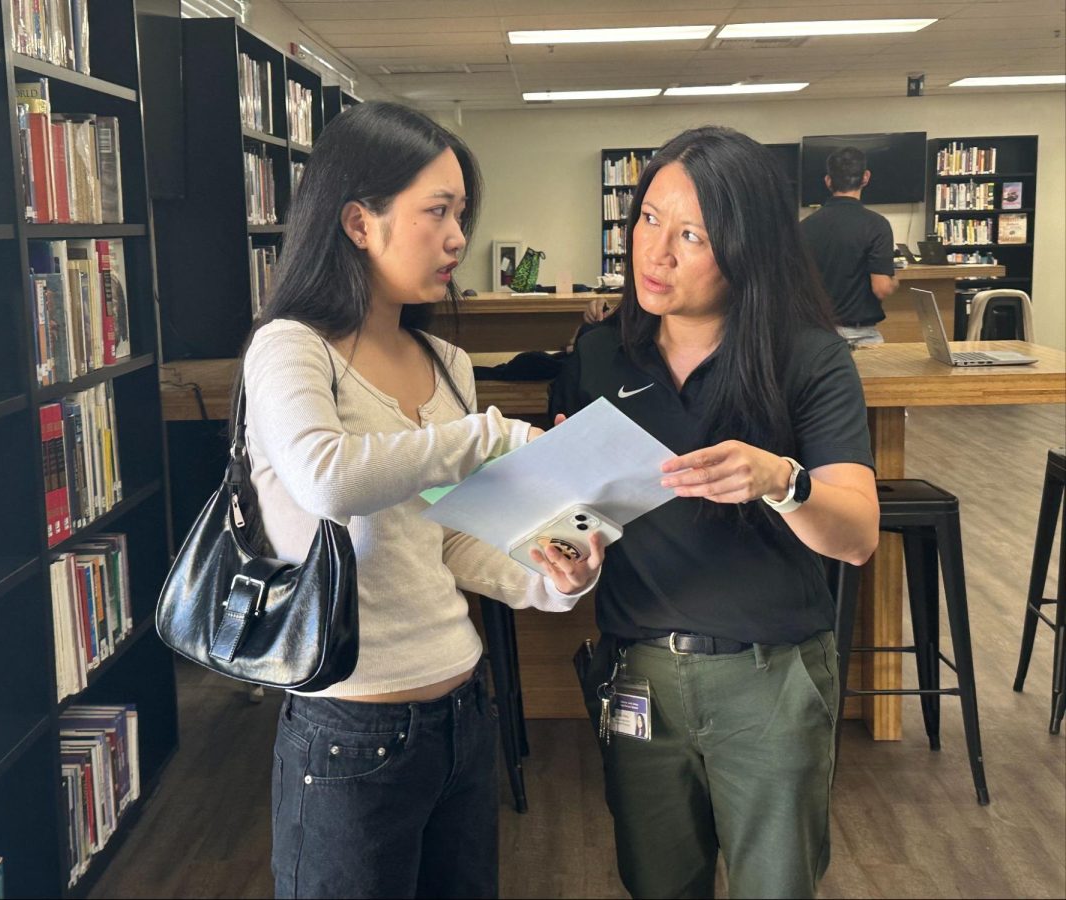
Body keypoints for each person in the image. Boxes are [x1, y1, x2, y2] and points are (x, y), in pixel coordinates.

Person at [240, 101, 603, 899]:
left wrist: (549, 575)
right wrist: (492, 436)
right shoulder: (289, 348)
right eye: (436, 211)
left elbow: (453, 535)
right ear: (359, 221)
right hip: (347, 729)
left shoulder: (445, 362)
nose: (456, 238)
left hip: (462, 713)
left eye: (461, 214)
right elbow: (327, 479)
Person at [551, 126, 880, 899]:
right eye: (649, 220)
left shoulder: (808, 356)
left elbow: (859, 537)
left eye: (691, 234)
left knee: (777, 886)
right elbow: (579, 520)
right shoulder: (599, 355)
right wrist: (570, 542)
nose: (655, 252)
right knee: (656, 883)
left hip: (769, 677)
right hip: (639, 677)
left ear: (746, 246)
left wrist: (783, 480)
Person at [799, 146, 899, 347]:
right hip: (861, 336)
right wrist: (895, 281)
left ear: (828, 181)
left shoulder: (804, 227)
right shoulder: (877, 225)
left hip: (817, 334)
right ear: (865, 177)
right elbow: (881, 288)